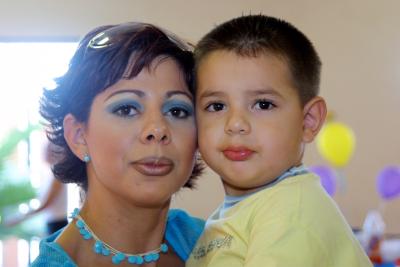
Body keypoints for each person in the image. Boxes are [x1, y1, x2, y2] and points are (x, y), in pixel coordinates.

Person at [186, 14, 372, 266]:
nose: (236, 124)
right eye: (216, 105)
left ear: (308, 121)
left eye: (263, 104)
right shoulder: (248, 209)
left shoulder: (292, 213)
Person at [31, 21, 204, 267]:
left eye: (177, 110)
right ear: (78, 136)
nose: (157, 129)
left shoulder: (223, 242)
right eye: (127, 109)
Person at [5, 140, 68, 235]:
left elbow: (46, 204)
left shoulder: (57, 176)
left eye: (48, 150)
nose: (45, 153)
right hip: (53, 223)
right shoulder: (50, 174)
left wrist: (20, 218)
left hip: (58, 224)